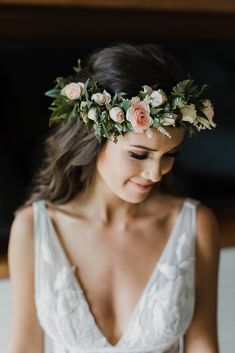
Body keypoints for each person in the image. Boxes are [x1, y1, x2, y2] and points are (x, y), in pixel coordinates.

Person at [7, 43, 220, 353]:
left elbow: (202, 346)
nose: (155, 173)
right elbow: (24, 348)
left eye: (169, 155)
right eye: (139, 154)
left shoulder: (195, 225)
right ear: (93, 137)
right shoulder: (33, 230)